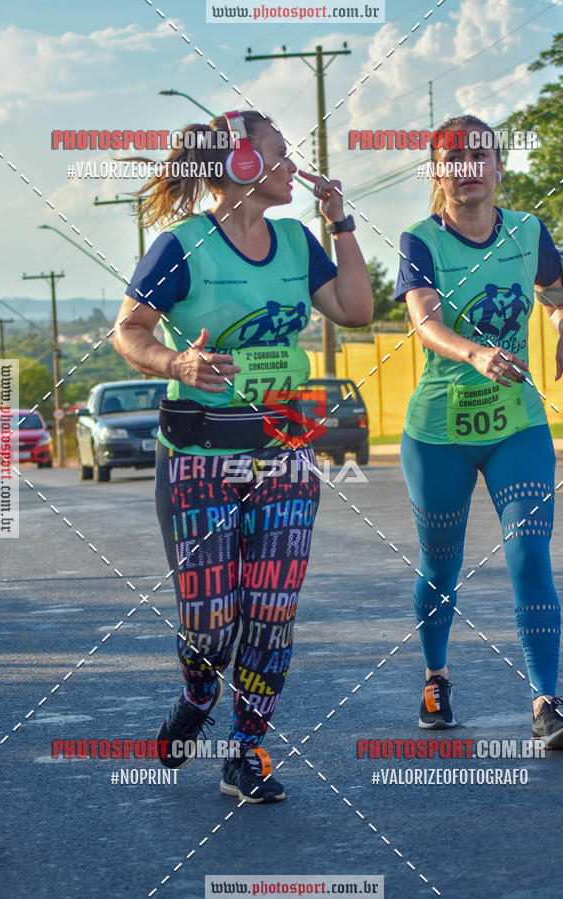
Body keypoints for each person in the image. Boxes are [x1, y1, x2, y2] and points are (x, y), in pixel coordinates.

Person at [113, 110, 372, 801]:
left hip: (286, 451)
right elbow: (128, 329)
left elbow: (354, 309)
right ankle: (198, 694)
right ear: (242, 165)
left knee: (272, 612)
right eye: (280, 155)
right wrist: (175, 360)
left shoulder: (296, 241)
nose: (294, 166)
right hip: (198, 457)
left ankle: (247, 750)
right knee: (210, 622)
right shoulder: (183, 246)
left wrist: (339, 221)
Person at [394, 114, 563, 749]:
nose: (467, 168)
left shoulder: (529, 232)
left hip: (516, 423)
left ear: (498, 168)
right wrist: (474, 353)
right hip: (439, 431)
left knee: (530, 554)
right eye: (453, 158)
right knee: (440, 568)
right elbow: (424, 322)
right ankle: (435, 676)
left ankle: (546, 703)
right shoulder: (419, 240)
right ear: (438, 172)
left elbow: (562, 295)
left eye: (479, 156)